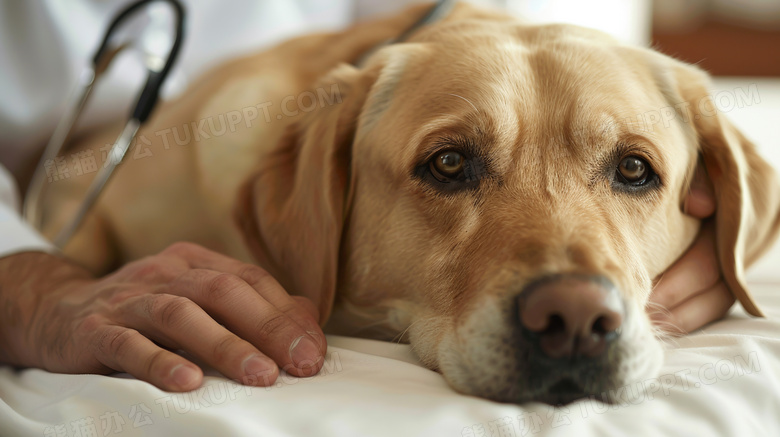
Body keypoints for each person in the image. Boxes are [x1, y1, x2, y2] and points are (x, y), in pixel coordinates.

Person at [0, 0, 734, 393]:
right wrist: (26, 278)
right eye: (451, 165)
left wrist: (716, 240)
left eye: (632, 171)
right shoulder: (195, 163)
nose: (577, 297)